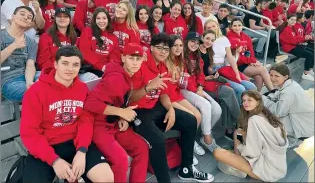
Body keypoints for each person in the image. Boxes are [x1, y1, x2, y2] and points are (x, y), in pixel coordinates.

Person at [129, 33, 214, 183]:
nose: (163, 52)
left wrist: (170, 108)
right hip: (137, 111)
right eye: (159, 48)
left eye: (166, 49)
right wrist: (148, 87)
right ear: (151, 48)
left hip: (156, 106)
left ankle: (187, 169)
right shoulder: (140, 64)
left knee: (191, 120)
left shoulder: (162, 65)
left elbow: (163, 94)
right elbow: (129, 98)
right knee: (158, 139)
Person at [20, 46, 113, 183]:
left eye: (75, 64)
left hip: (74, 142)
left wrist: (82, 151)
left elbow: (85, 120)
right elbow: (30, 132)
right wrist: (55, 161)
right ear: (55, 64)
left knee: (106, 178)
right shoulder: (35, 92)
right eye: (65, 63)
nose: (70, 69)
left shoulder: (82, 88)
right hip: (47, 145)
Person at [84, 43, 149, 183]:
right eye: (132, 58)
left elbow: (117, 101)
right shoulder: (116, 78)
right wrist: (120, 112)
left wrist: (121, 116)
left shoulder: (125, 74)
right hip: (98, 126)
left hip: (112, 123)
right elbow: (89, 103)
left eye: (138, 59)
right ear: (123, 58)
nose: (135, 63)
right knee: (121, 160)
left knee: (141, 148)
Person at [212, 90, 288, 182]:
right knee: (238, 132)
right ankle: (238, 160)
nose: (245, 103)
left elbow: (253, 152)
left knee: (217, 152)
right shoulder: (267, 115)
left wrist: (239, 145)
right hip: (279, 168)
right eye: (243, 101)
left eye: (249, 100)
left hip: (266, 172)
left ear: (258, 102)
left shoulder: (254, 120)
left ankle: (239, 165)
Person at [199, 29, 241, 140]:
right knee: (229, 92)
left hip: (208, 80)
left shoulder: (209, 51)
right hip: (200, 84)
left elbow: (207, 69)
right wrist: (208, 77)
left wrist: (213, 73)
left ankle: (230, 129)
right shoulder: (196, 51)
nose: (209, 42)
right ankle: (240, 122)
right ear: (202, 37)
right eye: (207, 38)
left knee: (227, 93)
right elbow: (195, 75)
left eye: (212, 40)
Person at [204, 19, 257, 103]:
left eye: (214, 26)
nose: (212, 28)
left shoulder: (223, 39)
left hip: (225, 67)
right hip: (215, 69)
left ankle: (250, 108)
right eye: (208, 27)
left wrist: (237, 74)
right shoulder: (206, 41)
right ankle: (240, 113)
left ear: (218, 26)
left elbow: (230, 58)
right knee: (240, 89)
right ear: (205, 30)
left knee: (251, 86)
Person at [263, 63, 314, 148]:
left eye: (277, 76)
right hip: (305, 120)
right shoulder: (290, 84)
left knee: (271, 122)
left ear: (285, 77)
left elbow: (277, 112)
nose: (272, 78)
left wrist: (264, 100)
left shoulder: (288, 92)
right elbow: (277, 94)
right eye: (271, 75)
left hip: (304, 126)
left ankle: (293, 139)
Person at [1, 6, 40, 101]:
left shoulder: (31, 42)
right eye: (22, 14)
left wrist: (29, 82)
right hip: (8, 80)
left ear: (30, 23)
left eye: (29, 17)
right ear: (13, 16)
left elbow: (30, 65)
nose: (26, 17)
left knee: (52, 79)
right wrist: (14, 45)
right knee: (38, 93)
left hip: (28, 76)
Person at [227, 18, 274, 92]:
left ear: (242, 26)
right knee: (263, 69)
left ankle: (256, 96)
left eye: (239, 25)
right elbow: (238, 58)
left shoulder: (246, 37)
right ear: (231, 27)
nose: (237, 28)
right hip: (236, 65)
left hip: (246, 63)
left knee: (259, 77)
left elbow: (251, 51)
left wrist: (252, 61)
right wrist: (252, 61)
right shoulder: (230, 38)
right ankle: (272, 91)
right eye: (235, 26)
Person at [79, 7, 120, 76]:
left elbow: (114, 55)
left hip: (106, 68)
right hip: (89, 68)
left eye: (104, 18)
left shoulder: (113, 37)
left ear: (108, 20)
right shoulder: (87, 31)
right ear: (94, 20)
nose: (101, 21)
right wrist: (100, 66)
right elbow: (85, 51)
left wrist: (110, 67)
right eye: (98, 18)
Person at [278, 14, 314, 81]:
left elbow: (297, 37)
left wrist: (305, 38)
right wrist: (304, 38)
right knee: (309, 55)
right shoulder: (285, 29)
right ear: (287, 20)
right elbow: (293, 41)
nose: (293, 21)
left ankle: (310, 70)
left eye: (294, 20)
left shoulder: (292, 27)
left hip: (295, 45)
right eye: (291, 19)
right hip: (289, 48)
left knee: (313, 52)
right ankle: (305, 74)